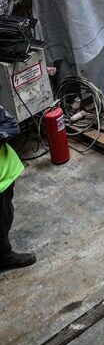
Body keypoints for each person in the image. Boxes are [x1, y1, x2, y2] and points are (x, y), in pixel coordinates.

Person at [1, 103, 35, 273]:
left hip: (3, 178)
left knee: (4, 217)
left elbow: (11, 125)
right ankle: (4, 257)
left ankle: (4, 255)